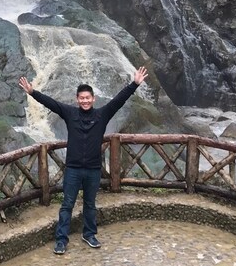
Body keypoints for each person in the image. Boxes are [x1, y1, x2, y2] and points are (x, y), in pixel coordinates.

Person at [18, 66, 149, 254]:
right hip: (73, 169)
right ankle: (61, 240)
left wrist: (134, 84)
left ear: (93, 99)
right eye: (82, 98)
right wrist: (32, 92)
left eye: (88, 98)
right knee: (67, 204)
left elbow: (119, 100)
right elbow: (51, 103)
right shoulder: (70, 113)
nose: (85, 100)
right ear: (77, 99)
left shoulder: (101, 115)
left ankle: (89, 234)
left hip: (93, 169)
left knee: (90, 203)